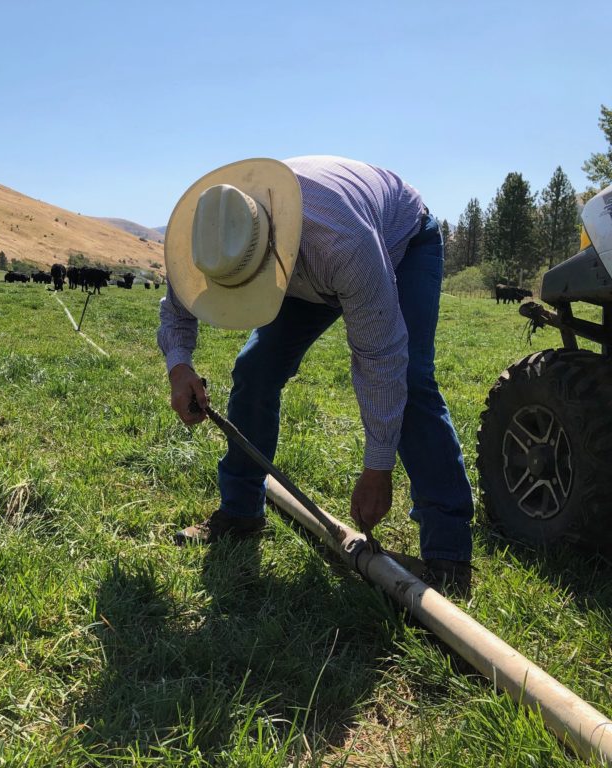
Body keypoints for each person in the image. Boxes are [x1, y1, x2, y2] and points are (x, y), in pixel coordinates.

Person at [157, 156, 473, 592]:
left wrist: (377, 468)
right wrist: (179, 367)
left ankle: (448, 556)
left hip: (402, 242)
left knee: (413, 382)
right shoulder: (207, 230)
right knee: (255, 369)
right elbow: (176, 311)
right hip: (304, 265)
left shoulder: (343, 244)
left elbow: (381, 358)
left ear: (271, 251)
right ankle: (241, 511)